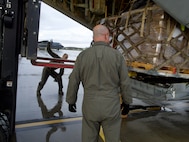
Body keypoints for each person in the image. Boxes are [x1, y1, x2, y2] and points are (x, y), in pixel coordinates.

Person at [66, 24, 131, 142]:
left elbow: (73, 79)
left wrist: (71, 100)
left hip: (90, 105)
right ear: (106, 36)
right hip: (111, 106)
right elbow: (125, 82)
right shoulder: (117, 56)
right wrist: (127, 102)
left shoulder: (83, 56)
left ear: (94, 37)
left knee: (88, 138)